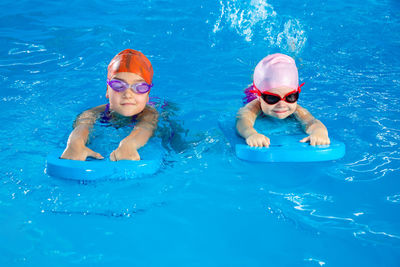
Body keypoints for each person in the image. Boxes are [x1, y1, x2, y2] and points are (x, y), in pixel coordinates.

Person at [61, 49, 158, 161]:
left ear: (147, 95)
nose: (128, 94)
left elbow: (146, 127)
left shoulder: (150, 114)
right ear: (107, 90)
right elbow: (83, 124)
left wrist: (129, 144)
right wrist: (75, 143)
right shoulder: (93, 112)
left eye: (140, 87)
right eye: (118, 85)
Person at [236, 53, 330, 147]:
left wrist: (319, 132)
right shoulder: (253, 106)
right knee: (255, 78)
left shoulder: (297, 109)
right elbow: (243, 120)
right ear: (260, 97)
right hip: (252, 93)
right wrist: (251, 134)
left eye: (290, 97)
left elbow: (311, 122)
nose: (282, 104)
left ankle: (293, 55)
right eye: (272, 98)